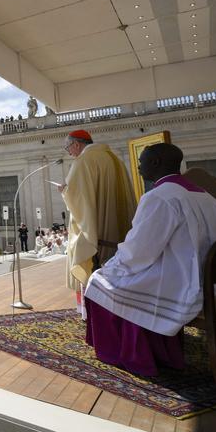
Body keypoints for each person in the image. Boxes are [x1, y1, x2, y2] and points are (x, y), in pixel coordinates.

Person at [83, 143, 216, 375]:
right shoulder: (208, 198)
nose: (139, 167)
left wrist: (109, 266)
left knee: (98, 281)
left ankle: (137, 353)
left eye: (141, 161)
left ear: (155, 163)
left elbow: (138, 252)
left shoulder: (159, 197)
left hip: (184, 285)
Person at [59, 129, 136, 311]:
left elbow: (78, 200)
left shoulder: (83, 161)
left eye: (68, 147)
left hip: (97, 232)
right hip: (118, 229)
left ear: (76, 144)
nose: (68, 152)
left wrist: (64, 191)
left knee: (93, 265)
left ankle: (94, 312)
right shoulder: (113, 158)